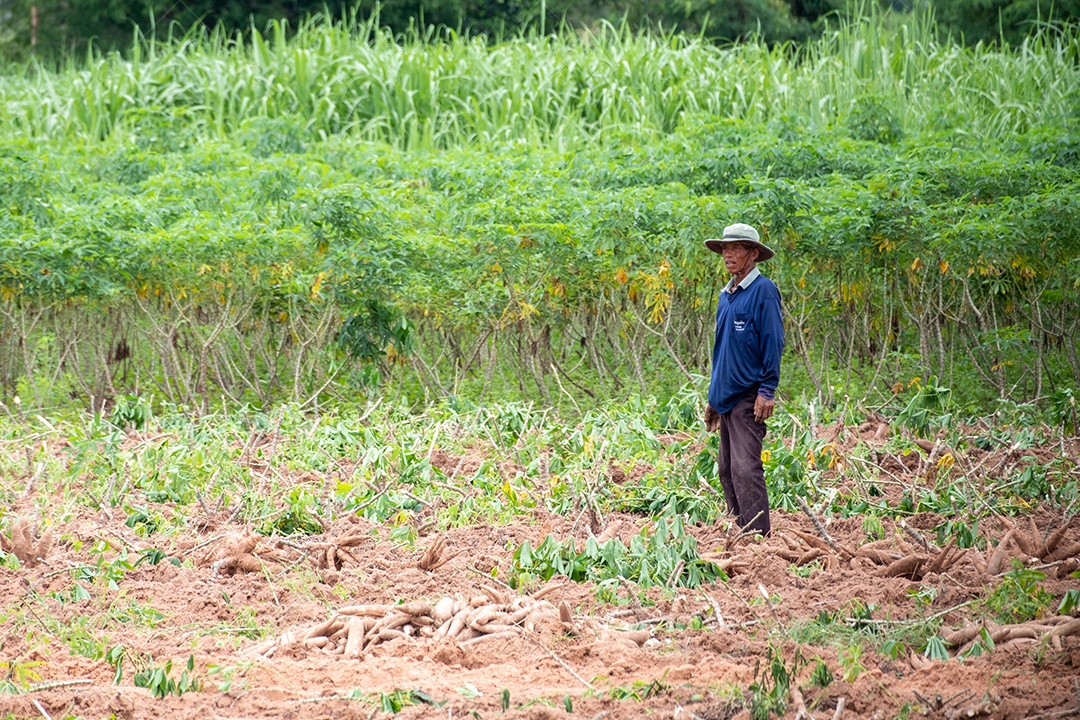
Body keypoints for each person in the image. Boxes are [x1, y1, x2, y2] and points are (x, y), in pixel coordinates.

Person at [703, 223, 784, 537]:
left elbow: (773, 342)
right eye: (725, 248)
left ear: (753, 254)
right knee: (726, 469)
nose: (728, 254)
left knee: (746, 468)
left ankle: (758, 538)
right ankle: (738, 531)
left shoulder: (764, 291)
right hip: (726, 397)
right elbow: (722, 351)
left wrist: (767, 389)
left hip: (749, 396)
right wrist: (714, 397)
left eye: (736, 247)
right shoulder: (726, 296)